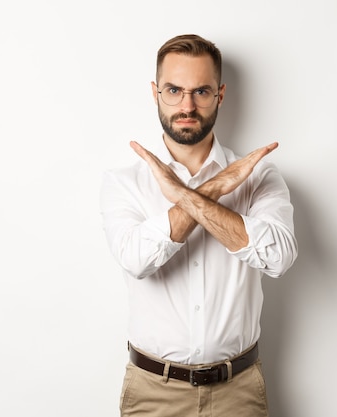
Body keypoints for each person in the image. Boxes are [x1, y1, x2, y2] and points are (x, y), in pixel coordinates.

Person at [100, 34, 298, 417]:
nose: (187, 105)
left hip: (238, 392)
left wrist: (187, 195)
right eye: (174, 90)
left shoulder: (258, 176)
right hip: (153, 394)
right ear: (156, 92)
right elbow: (137, 259)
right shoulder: (123, 181)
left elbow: (278, 258)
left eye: (201, 91)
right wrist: (214, 189)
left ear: (220, 95)